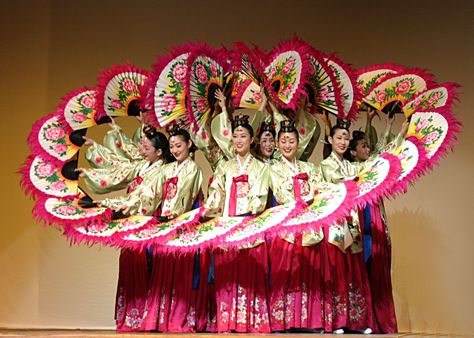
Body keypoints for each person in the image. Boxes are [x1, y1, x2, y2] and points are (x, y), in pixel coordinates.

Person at [81, 126, 172, 332]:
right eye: (142, 145)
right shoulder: (142, 166)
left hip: (148, 222)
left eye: (147, 147)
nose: (142, 149)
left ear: (159, 152)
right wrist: (93, 154)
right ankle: (131, 317)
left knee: (144, 267)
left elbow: (145, 199)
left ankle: (147, 317)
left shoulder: (162, 171)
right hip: (132, 220)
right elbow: (118, 170)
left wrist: (115, 206)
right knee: (130, 266)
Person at [203, 115, 271, 333]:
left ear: (252, 139)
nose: (239, 140)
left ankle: (250, 321)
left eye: (243, 136)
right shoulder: (225, 167)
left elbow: (260, 193)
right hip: (227, 224)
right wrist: (210, 207)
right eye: (235, 136)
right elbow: (217, 191)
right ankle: (228, 321)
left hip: (250, 223)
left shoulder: (261, 167)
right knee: (228, 275)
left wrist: (249, 211)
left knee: (250, 274)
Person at [347, 113, 409, 333]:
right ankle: (361, 320)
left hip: (374, 218)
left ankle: (380, 320)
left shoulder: (375, 165)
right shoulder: (350, 169)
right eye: (363, 146)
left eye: (367, 145)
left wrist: (395, 128)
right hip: (358, 221)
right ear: (353, 152)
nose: (368, 149)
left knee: (377, 267)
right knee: (358, 271)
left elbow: (385, 151)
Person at [140, 125, 205, 332]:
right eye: (172, 146)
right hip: (165, 224)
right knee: (162, 273)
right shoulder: (166, 169)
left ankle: (178, 319)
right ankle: (159, 319)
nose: (175, 150)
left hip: (182, 226)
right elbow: (151, 192)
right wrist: (137, 204)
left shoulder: (193, 169)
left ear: (189, 145)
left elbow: (184, 195)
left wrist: (172, 215)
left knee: (181, 275)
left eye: (179, 145)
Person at [318, 119, 375, 334]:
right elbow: (339, 181)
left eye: (345, 138)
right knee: (337, 271)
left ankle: (357, 322)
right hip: (335, 223)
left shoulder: (352, 165)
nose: (342, 141)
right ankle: (337, 321)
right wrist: (356, 179)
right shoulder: (326, 165)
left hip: (352, 222)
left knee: (354, 270)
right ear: (331, 140)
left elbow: (366, 171)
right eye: (339, 137)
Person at [268, 120, 324, 332]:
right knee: (286, 273)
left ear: (298, 143)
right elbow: (281, 192)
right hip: (287, 226)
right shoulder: (274, 169)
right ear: (277, 144)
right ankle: (283, 321)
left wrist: (312, 201)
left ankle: (310, 321)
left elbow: (319, 189)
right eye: (283, 141)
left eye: (291, 141)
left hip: (310, 224)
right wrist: (302, 201)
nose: (287, 145)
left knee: (309, 274)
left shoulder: (310, 167)